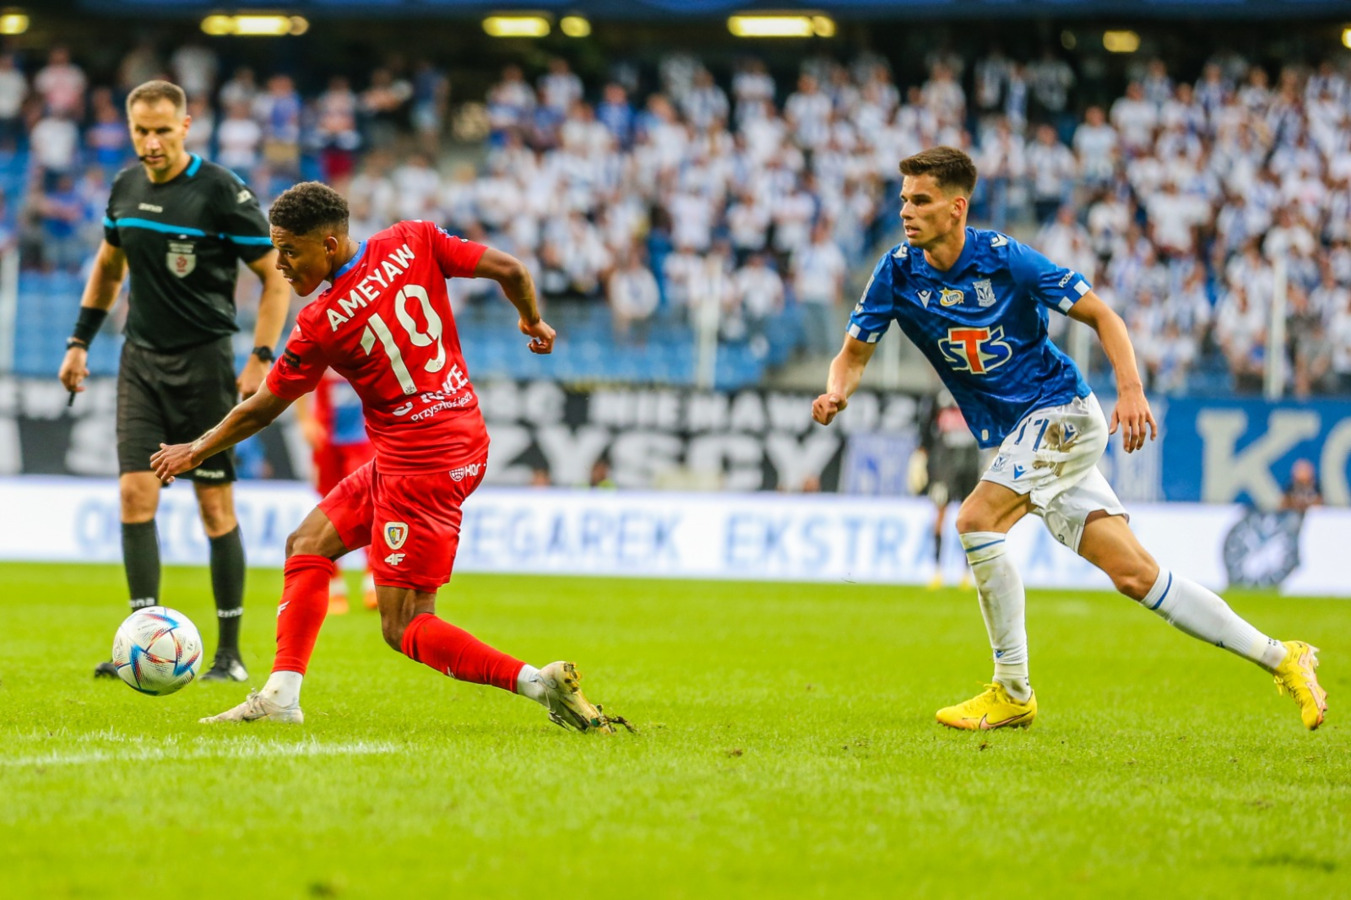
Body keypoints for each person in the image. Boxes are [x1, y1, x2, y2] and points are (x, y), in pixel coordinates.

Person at [812, 146, 1327, 731]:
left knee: (976, 519)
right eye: (904, 199)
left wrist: (1130, 389)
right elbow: (853, 355)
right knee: (1137, 576)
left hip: (1062, 414)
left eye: (921, 200)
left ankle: (1012, 690)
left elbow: (1105, 316)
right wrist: (836, 391)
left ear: (956, 208)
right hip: (1024, 435)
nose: (906, 211)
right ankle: (1283, 656)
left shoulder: (1005, 259)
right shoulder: (897, 272)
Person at [151, 181, 626, 732]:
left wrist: (196, 448)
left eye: (290, 251)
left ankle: (538, 684)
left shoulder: (321, 322)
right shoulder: (414, 239)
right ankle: (281, 695)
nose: (279, 264)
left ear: (329, 245)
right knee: (307, 544)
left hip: (421, 469)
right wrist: (531, 320)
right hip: (455, 439)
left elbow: (262, 409)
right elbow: (512, 270)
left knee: (404, 625)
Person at [58, 80, 289, 683]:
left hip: (204, 365)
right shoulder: (125, 187)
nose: (152, 142)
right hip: (140, 361)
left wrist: (262, 355)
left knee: (214, 506)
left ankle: (230, 656)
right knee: (135, 496)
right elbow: (109, 267)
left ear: (186, 126)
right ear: (130, 129)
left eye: (163, 130)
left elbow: (275, 276)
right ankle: (138, 642)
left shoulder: (220, 191)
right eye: (142, 131)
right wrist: (79, 342)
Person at [293, 372, 376, 614]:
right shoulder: (321, 348)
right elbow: (296, 373)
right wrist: (305, 420)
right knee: (330, 511)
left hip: (363, 436)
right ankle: (334, 586)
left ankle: (373, 580)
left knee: (370, 506)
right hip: (326, 438)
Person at [912, 389, 982, 590]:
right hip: (944, 466)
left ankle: (966, 572)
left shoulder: (975, 391)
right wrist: (921, 455)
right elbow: (926, 428)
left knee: (969, 517)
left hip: (970, 463)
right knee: (940, 513)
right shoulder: (939, 396)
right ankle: (937, 569)